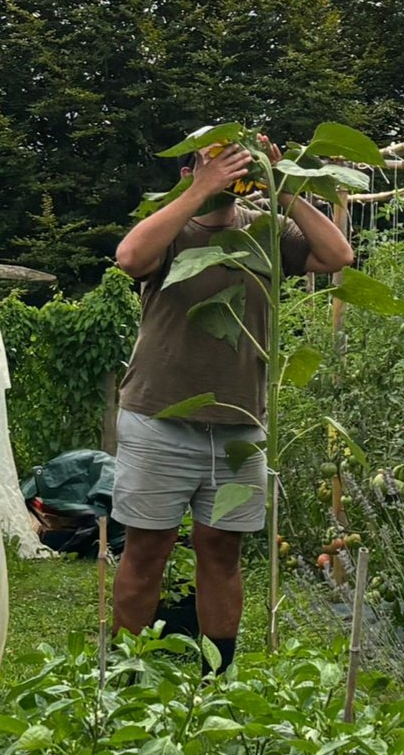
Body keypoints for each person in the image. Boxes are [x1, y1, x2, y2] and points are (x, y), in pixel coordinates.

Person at [110, 132, 354, 668]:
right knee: (147, 549)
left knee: (221, 550)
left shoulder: (266, 231)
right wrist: (200, 189)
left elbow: (337, 256)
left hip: (240, 423)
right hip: (159, 416)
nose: (228, 172)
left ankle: (216, 675)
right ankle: (123, 677)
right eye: (213, 162)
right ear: (188, 171)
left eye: (235, 163)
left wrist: (283, 184)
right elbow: (129, 257)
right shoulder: (173, 227)